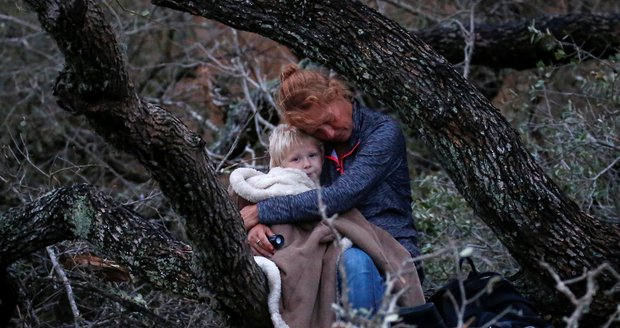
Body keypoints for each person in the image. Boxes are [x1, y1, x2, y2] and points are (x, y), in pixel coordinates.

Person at [229, 124, 425, 327]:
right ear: (280, 164)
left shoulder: (330, 187)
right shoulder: (274, 185)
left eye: (312, 155)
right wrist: (255, 226)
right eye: (296, 159)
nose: (307, 164)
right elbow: (248, 201)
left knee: (358, 263)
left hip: (332, 257)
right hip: (292, 258)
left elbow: (340, 213)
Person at [241, 64, 423, 281]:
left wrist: (261, 212)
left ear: (336, 93)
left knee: (353, 263)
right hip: (328, 247)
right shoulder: (315, 145)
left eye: (328, 120)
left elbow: (341, 195)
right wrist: (258, 227)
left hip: (390, 246)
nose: (329, 133)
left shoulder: (382, 133)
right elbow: (279, 183)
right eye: (317, 130)